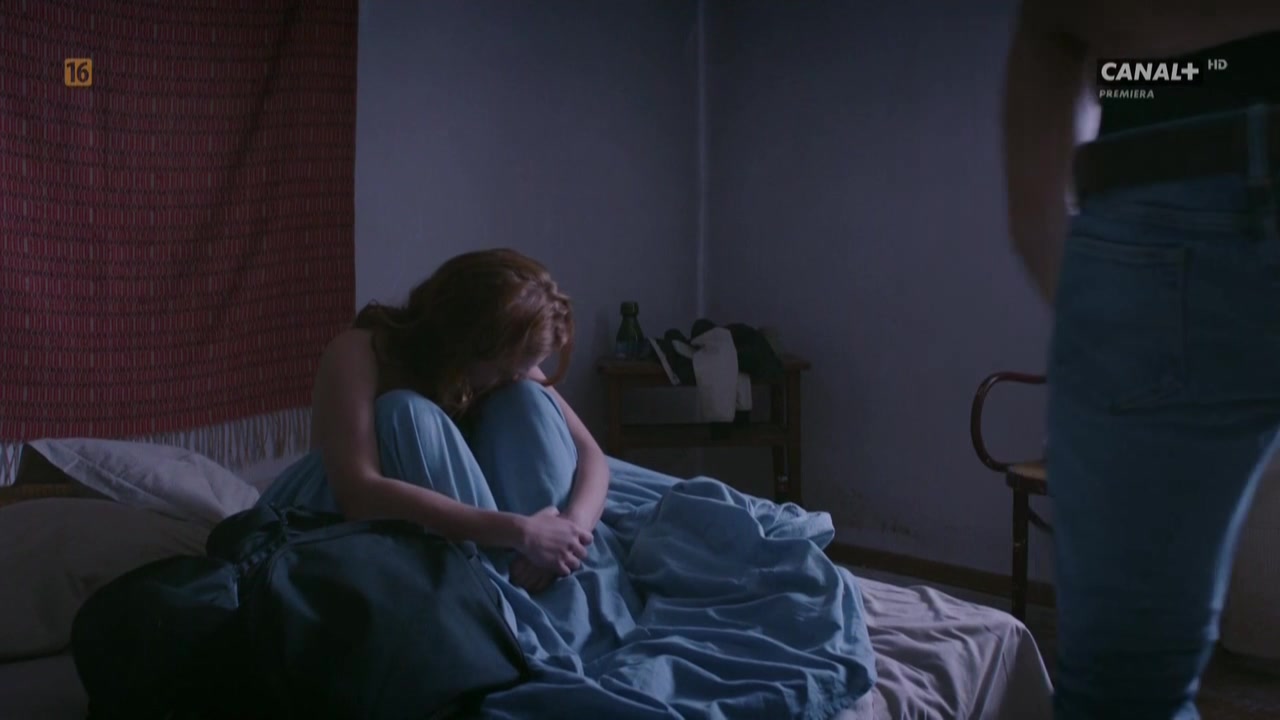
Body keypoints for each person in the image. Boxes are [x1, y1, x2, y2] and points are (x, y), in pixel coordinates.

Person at [1004, 2, 1280, 718]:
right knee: (1125, 690)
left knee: (1124, 692)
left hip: (1162, 217)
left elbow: (1053, 36)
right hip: (1161, 215)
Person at [260, 248, 607, 593]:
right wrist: (520, 531)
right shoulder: (359, 351)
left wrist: (567, 532)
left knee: (526, 399)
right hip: (340, 512)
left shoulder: (504, 366)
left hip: (470, 527)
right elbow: (358, 492)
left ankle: (538, 582)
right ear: (468, 345)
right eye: (505, 370)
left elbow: (592, 454)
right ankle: (498, 596)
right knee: (407, 412)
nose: (513, 377)